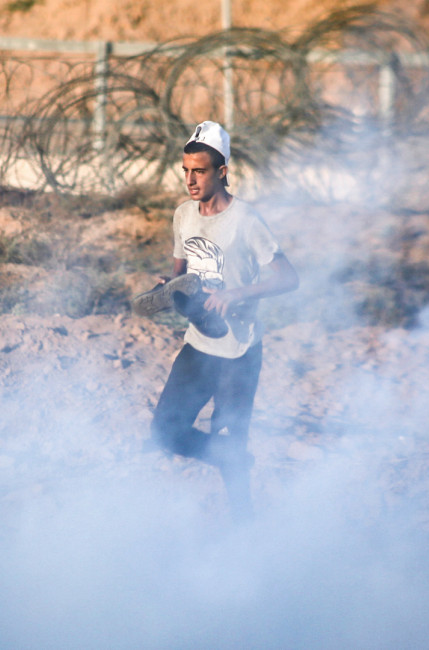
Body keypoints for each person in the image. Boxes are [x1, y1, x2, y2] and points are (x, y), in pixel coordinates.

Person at [149, 120, 299, 521]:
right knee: (164, 433)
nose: (190, 180)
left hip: (239, 353)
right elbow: (181, 273)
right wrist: (168, 287)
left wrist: (235, 294)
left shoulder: (246, 221)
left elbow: (289, 277)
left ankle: (243, 528)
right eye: (185, 170)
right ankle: (227, 457)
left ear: (222, 171)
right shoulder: (183, 215)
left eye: (199, 171)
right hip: (198, 346)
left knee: (230, 434)